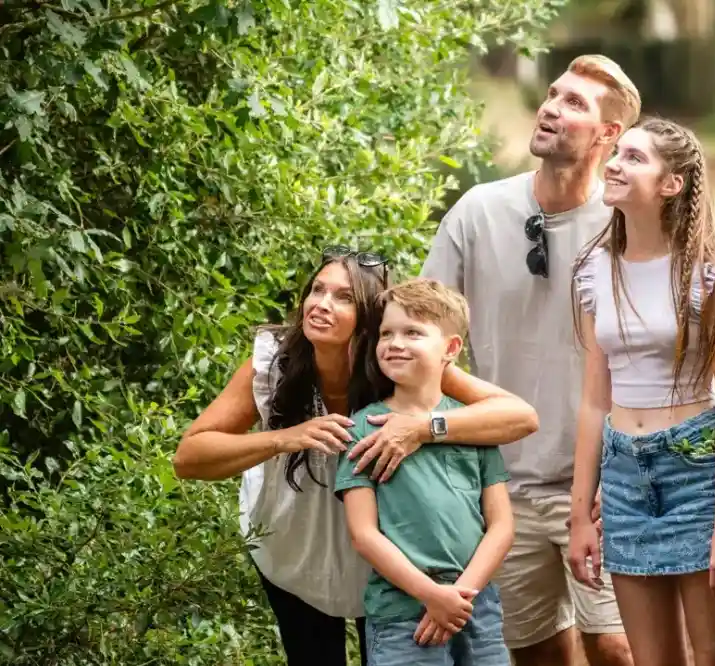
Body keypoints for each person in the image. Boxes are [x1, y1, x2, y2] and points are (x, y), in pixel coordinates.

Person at [173, 247, 539, 666]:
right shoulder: (274, 363)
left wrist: (422, 428)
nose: (321, 305)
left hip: (388, 564)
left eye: (343, 297)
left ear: (370, 318)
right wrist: (285, 438)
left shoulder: (399, 362)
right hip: (293, 544)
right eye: (317, 290)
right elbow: (189, 456)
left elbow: (520, 417)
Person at [420, 54, 639, 666]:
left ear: (608, 134)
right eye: (552, 94)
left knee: (617, 646)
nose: (550, 108)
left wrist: (623, 461)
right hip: (499, 485)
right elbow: (424, 337)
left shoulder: (628, 223)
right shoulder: (478, 211)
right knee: (539, 654)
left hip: (598, 483)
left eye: (574, 103)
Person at [566, 116, 715, 666]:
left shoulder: (710, 272)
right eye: (617, 153)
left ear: (671, 183)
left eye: (635, 158)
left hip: (697, 473)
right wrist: (580, 514)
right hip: (626, 478)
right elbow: (592, 402)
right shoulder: (591, 270)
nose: (614, 163)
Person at [336, 277, 518, 666]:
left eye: (412, 332)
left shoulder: (472, 424)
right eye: (387, 333)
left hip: (476, 608)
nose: (395, 343)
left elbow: (501, 525)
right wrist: (432, 596)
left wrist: (460, 596)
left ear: (450, 348)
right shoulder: (364, 427)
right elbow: (363, 534)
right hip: (403, 612)